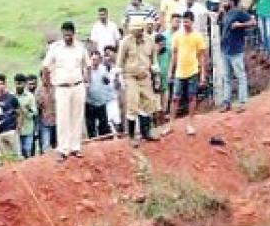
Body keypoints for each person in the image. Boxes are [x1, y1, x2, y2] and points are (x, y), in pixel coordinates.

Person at [42, 21, 91, 162]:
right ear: (62, 33)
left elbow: (87, 65)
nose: (67, 37)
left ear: (74, 34)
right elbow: (45, 67)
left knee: (77, 117)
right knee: (63, 118)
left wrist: (87, 81)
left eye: (69, 35)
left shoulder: (80, 47)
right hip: (62, 87)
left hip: (77, 85)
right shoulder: (55, 48)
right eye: (65, 34)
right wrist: (47, 84)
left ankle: (75, 147)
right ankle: (63, 149)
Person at [117, 18, 160, 148]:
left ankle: (146, 132)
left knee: (148, 103)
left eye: (139, 30)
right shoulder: (125, 42)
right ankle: (131, 136)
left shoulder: (150, 41)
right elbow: (120, 62)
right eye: (135, 30)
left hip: (145, 76)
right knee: (133, 104)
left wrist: (156, 74)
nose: (137, 32)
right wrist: (120, 78)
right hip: (130, 77)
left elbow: (154, 60)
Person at [169, 11, 209, 134]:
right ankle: (171, 125)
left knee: (192, 97)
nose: (185, 24)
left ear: (192, 21)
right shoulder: (177, 36)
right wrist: (171, 71)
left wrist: (202, 74)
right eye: (183, 21)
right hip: (180, 71)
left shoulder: (197, 36)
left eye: (187, 21)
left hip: (193, 70)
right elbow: (174, 54)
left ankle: (190, 124)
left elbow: (202, 57)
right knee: (175, 98)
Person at [218, 0, 257, 112]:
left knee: (240, 76)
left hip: (235, 49)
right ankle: (226, 102)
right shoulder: (226, 13)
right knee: (227, 77)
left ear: (232, 1)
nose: (224, 2)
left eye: (226, 0)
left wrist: (240, 24)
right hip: (226, 49)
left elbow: (253, 22)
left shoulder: (239, 12)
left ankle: (242, 103)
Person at [0, 74, 22, 163]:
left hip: (11, 130)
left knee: (17, 156)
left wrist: (18, 128)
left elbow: (19, 113)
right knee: (5, 159)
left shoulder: (12, 97)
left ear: (5, 84)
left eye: (1, 83)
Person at [85, 51, 115, 139]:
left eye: (97, 59)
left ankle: (104, 144)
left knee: (103, 125)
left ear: (100, 60)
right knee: (90, 126)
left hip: (101, 102)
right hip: (89, 102)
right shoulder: (86, 70)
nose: (95, 61)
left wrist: (106, 79)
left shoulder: (103, 69)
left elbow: (107, 81)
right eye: (93, 59)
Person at [14, 74, 38, 158]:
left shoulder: (30, 97)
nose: (18, 86)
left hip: (28, 128)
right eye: (17, 83)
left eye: (20, 83)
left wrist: (24, 110)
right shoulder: (12, 96)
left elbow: (34, 113)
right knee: (18, 154)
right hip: (16, 130)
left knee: (27, 151)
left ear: (24, 84)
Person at [35, 73, 57, 153]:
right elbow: (37, 107)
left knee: (58, 145)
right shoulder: (38, 90)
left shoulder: (56, 88)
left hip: (57, 121)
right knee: (46, 146)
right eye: (44, 77)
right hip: (44, 121)